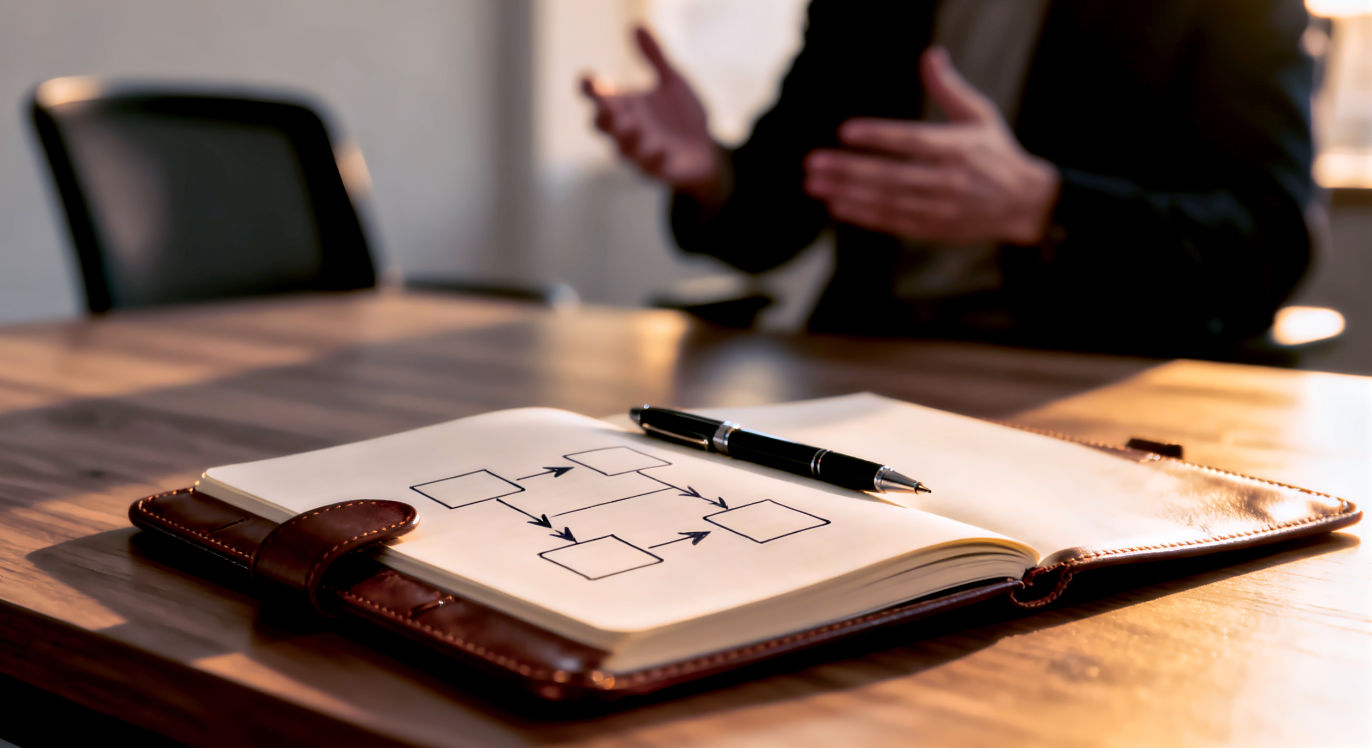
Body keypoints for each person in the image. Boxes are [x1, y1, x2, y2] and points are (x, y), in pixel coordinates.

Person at [581, 0, 1316, 355]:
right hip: (867, 362)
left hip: (1083, 374)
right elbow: (776, 215)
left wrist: (1045, 206)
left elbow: (1272, 237)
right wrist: (712, 172)